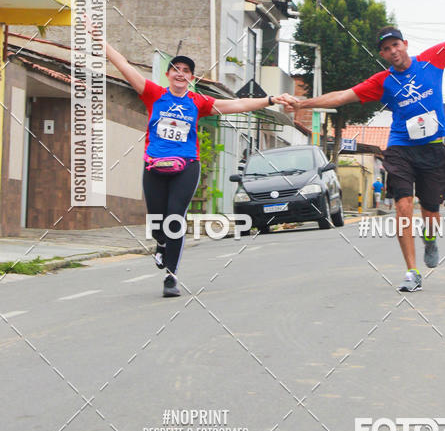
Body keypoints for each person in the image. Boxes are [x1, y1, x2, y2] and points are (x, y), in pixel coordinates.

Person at [290, 0, 445, 292]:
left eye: (395, 45)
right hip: (400, 148)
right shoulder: (382, 81)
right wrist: (303, 103)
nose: (392, 51)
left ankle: (431, 238)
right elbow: (342, 96)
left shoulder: (432, 60)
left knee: (431, 213)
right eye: (386, 49)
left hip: (433, 148)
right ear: (383, 54)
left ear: (405, 44)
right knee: (403, 206)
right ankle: (412, 271)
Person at [84, 18, 295, 297]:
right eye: (176, 69)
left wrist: (270, 100)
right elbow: (123, 65)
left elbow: (238, 104)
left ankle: (171, 277)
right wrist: (99, 40)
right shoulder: (153, 95)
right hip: (154, 166)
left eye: (186, 71)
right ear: (169, 75)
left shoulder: (198, 103)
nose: (181, 74)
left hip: (187, 166)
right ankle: (160, 243)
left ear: (191, 78)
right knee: (158, 222)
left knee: (175, 217)